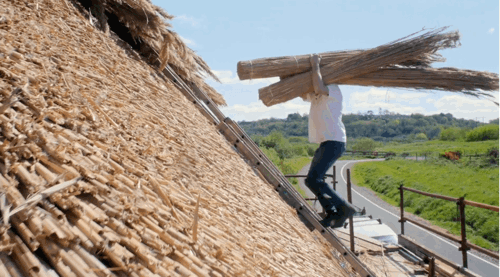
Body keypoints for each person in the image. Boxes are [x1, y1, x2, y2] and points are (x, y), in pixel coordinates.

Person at [301, 54, 356, 228]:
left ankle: (344, 208)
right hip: (326, 142)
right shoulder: (317, 95)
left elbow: (318, 86)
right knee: (311, 180)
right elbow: (304, 94)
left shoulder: (333, 90)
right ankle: (333, 211)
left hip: (335, 141)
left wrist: (315, 65)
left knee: (315, 179)